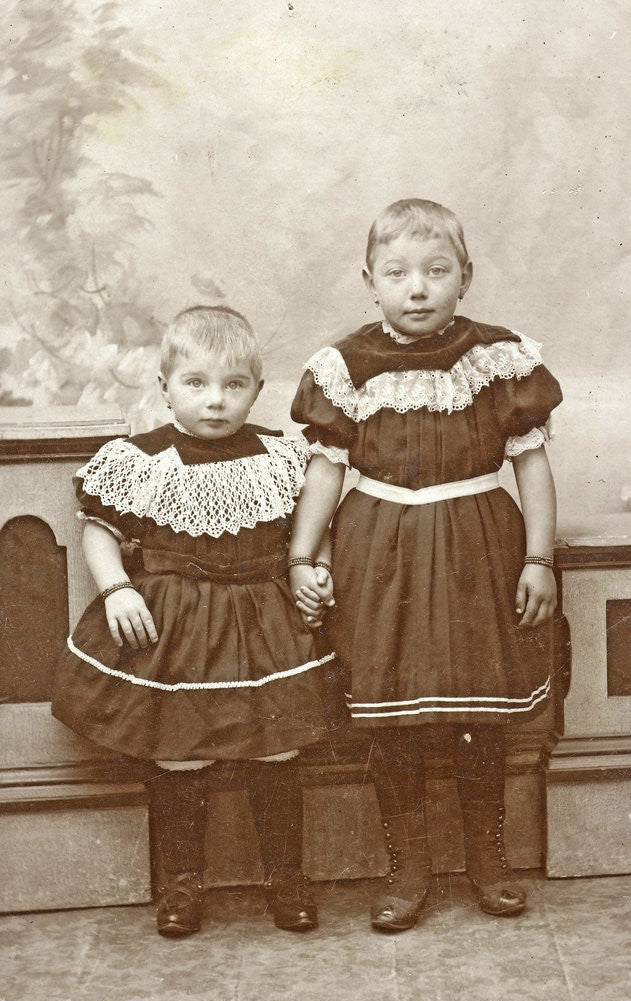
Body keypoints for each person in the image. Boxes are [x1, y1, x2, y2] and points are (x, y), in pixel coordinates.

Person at [289, 198, 563, 932]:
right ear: (370, 281)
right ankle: (406, 867)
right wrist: (300, 556)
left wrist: (537, 558)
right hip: (378, 550)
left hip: (478, 544)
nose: (417, 288)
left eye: (436, 271)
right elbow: (323, 474)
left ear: (463, 278)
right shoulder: (347, 366)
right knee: (392, 717)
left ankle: (487, 859)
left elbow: (531, 468)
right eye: (398, 273)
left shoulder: (498, 360)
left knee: (480, 710)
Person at [53, 305, 341, 938]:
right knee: (180, 755)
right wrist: (118, 589)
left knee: (277, 750)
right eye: (197, 383)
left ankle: (284, 878)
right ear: (165, 387)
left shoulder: (278, 456)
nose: (216, 400)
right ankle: (183, 883)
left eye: (234, 385)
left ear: (257, 391)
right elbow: (100, 532)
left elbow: (310, 527)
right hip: (175, 623)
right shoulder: (141, 458)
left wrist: (317, 568)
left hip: (262, 620)